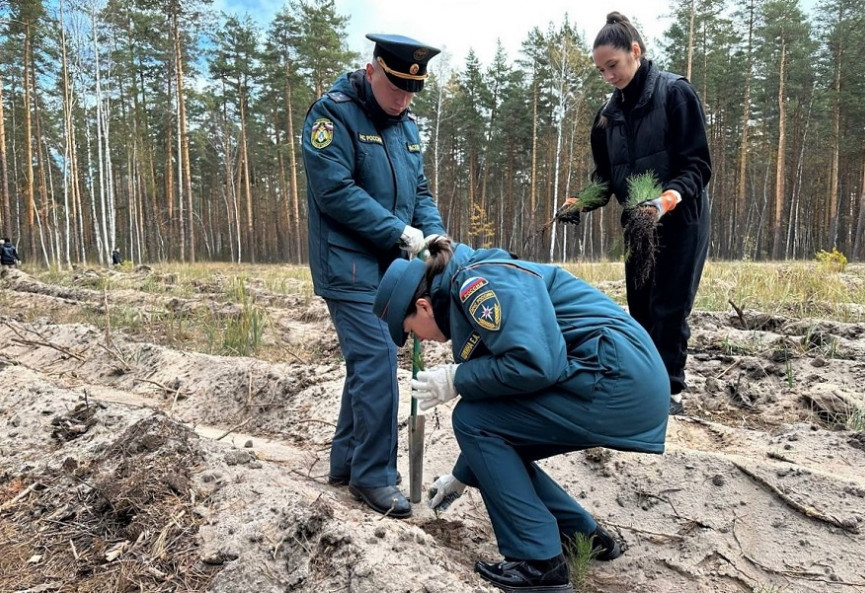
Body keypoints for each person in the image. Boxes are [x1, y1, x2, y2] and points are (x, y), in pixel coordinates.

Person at [373, 237, 670, 592]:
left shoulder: (476, 285)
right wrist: (463, 476)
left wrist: (457, 378)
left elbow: (536, 364)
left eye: (409, 332)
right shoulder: (467, 283)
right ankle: (581, 535)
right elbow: (508, 410)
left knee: (472, 419)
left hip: (615, 378)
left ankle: (539, 562)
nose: (423, 341)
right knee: (486, 423)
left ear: (422, 307)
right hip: (619, 376)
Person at [302, 33, 447, 518]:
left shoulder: (407, 126)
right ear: (372, 71)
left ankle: (345, 463)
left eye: (412, 92)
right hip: (346, 264)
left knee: (367, 365)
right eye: (395, 89)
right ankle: (375, 476)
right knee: (380, 359)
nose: (403, 100)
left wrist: (434, 236)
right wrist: (400, 233)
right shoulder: (333, 115)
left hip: (390, 267)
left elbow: (420, 190)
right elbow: (335, 192)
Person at [557, 12, 711, 416]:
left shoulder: (675, 93)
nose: (608, 75)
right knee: (640, 307)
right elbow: (606, 178)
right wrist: (582, 201)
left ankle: (671, 391)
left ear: (635, 52)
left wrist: (664, 202)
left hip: (680, 219)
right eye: (601, 70)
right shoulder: (607, 117)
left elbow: (697, 165)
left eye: (614, 65)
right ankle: (646, 383)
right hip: (637, 225)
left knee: (670, 306)